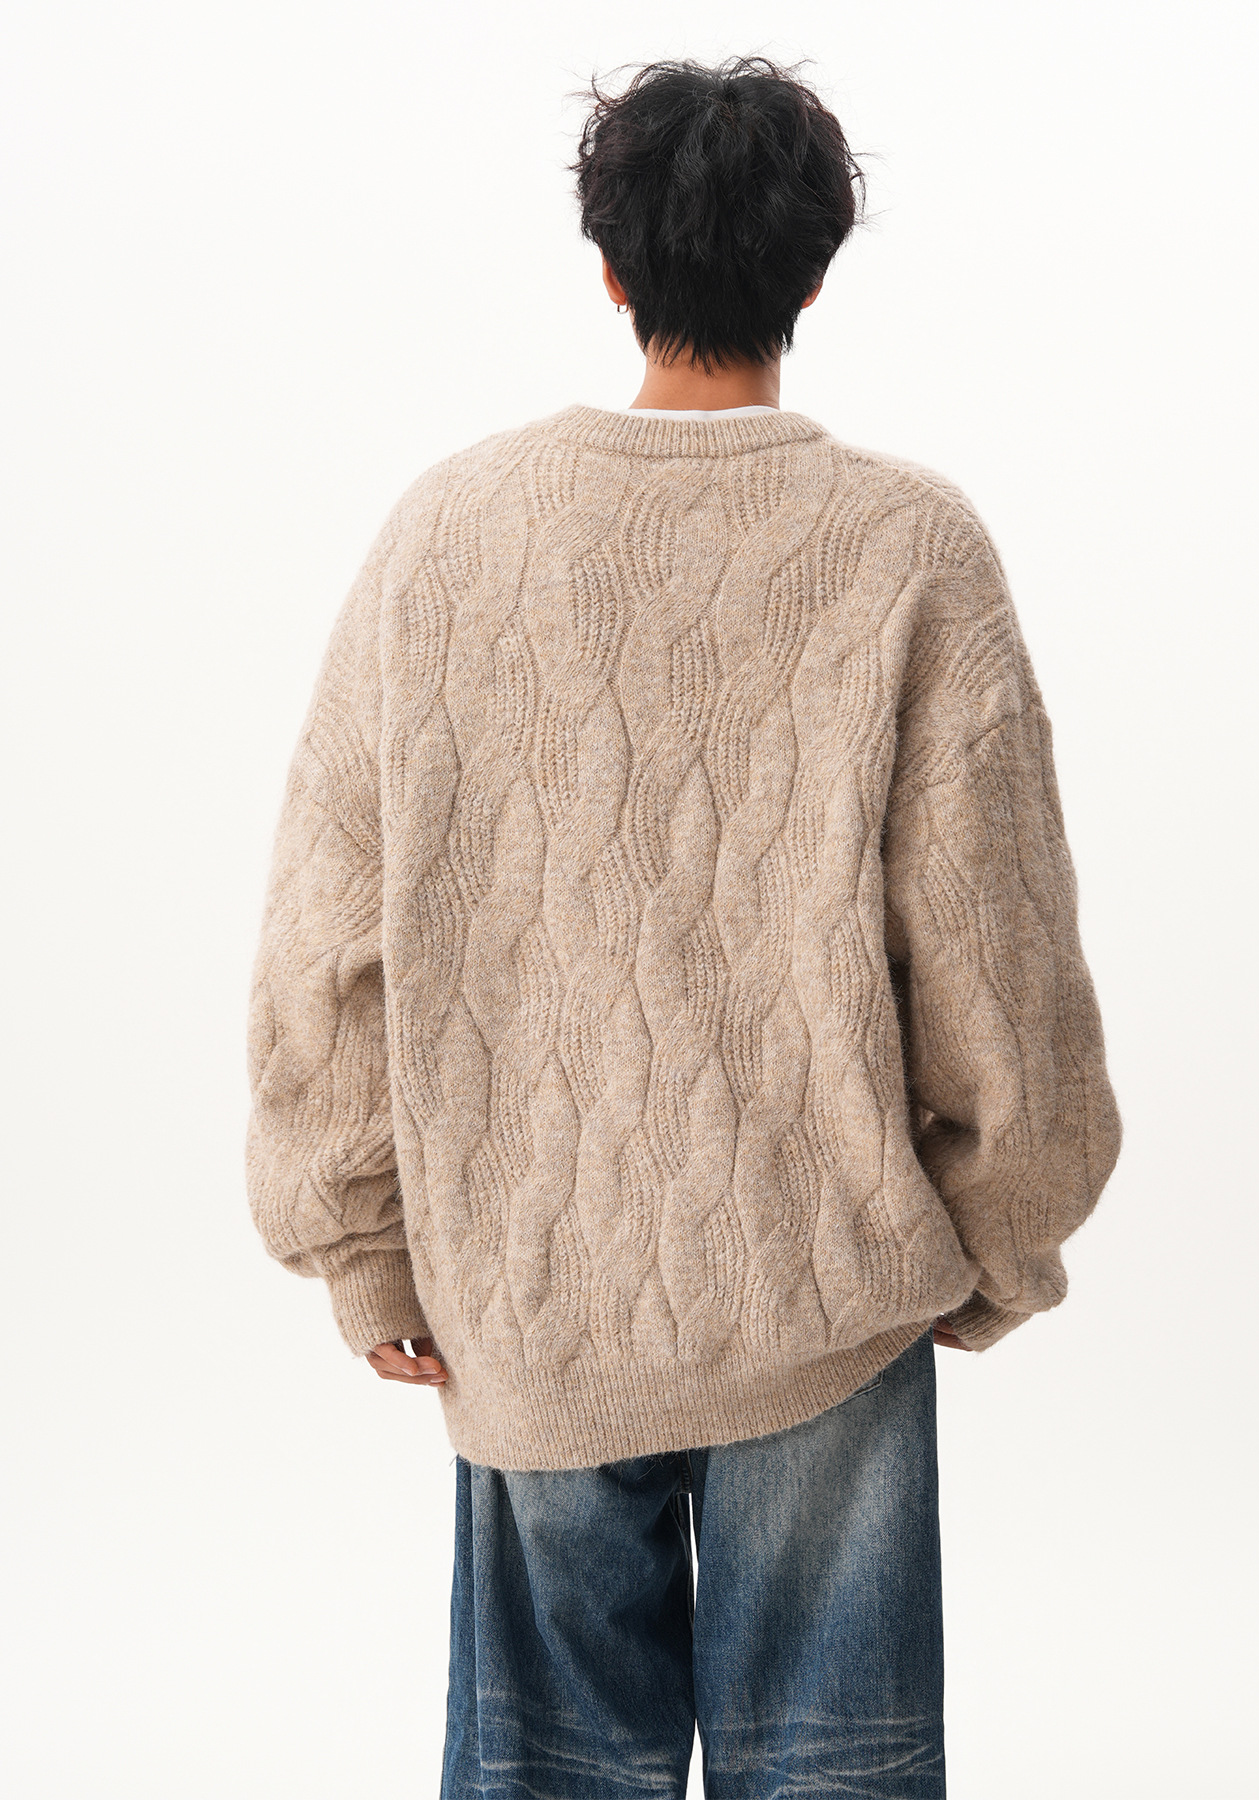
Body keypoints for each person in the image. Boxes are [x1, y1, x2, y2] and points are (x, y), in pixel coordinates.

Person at [245, 55, 1122, 1800]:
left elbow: (325, 934)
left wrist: (365, 1248)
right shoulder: (908, 546)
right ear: (813, 273)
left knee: (551, 1772)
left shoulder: (449, 536)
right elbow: (998, 948)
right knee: (835, 1774)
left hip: (523, 1295)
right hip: (831, 1289)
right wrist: (1000, 1237)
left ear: (609, 268)